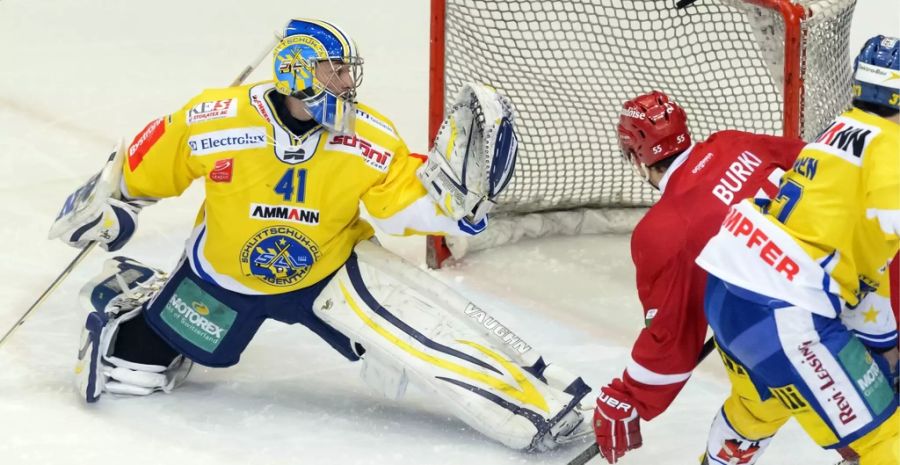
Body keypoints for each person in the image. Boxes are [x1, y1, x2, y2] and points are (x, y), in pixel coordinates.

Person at [48, 18, 592, 452]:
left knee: (426, 340)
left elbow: (401, 201)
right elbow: (141, 165)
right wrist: (107, 204)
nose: (347, 83)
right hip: (223, 278)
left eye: (346, 71)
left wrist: (452, 213)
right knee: (136, 368)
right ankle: (135, 302)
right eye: (334, 72)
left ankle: (543, 401)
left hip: (332, 270)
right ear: (295, 73)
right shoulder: (214, 120)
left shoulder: (368, 136)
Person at [695, 35, 900, 465]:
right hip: (786, 313)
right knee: (886, 439)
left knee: (763, 403)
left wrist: (886, 344)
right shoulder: (890, 144)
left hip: (731, 295)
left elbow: (863, 264)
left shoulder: (834, 133)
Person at [590, 90, 807, 463]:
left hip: (780, 334)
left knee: (760, 402)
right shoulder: (734, 142)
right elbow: (812, 163)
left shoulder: (663, 230)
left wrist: (630, 396)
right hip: (854, 284)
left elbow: (673, 340)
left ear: (636, 157)